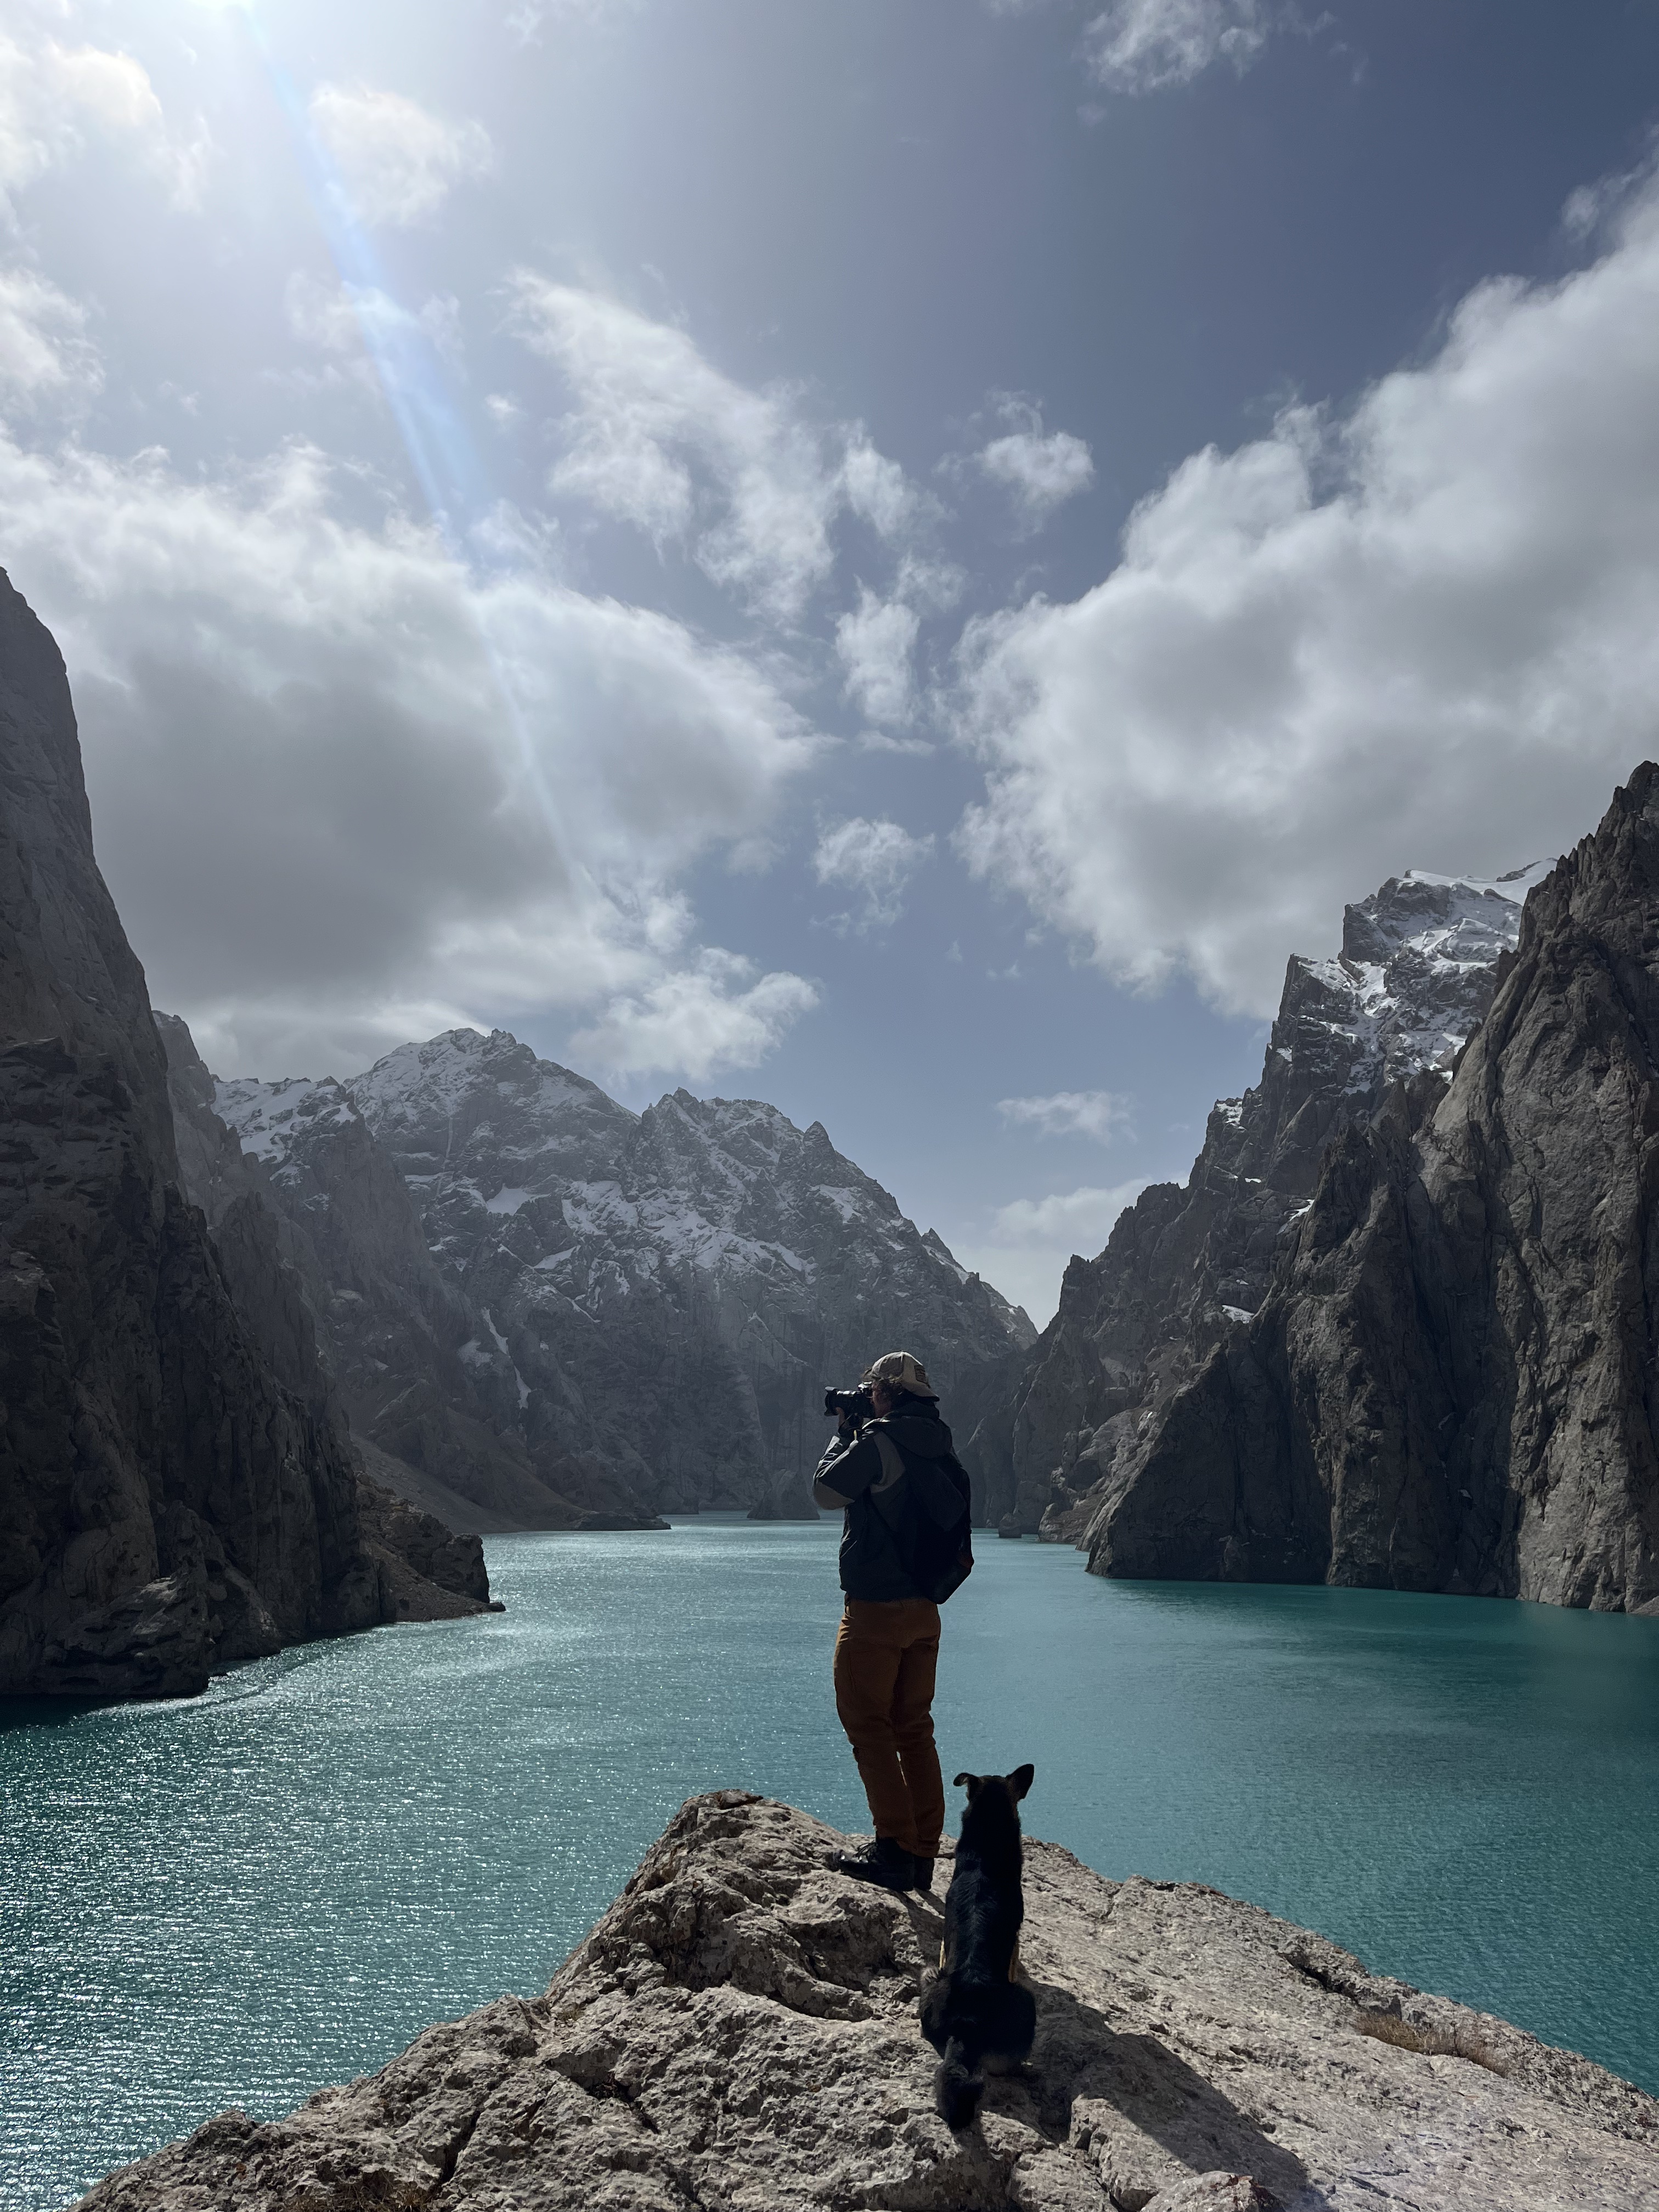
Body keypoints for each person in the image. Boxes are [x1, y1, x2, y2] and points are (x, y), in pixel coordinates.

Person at [813, 1348, 961, 1894]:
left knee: (867, 1723)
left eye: (872, 1389)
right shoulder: (939, 1442)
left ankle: (893, 1848)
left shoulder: (878, 1441)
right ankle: (922, 1853)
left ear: (886, 1394)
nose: (867, 1396)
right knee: (914, 1728)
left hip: (876, 1612)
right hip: (925, 1612)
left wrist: (843, 1432)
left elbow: (826, 1490)